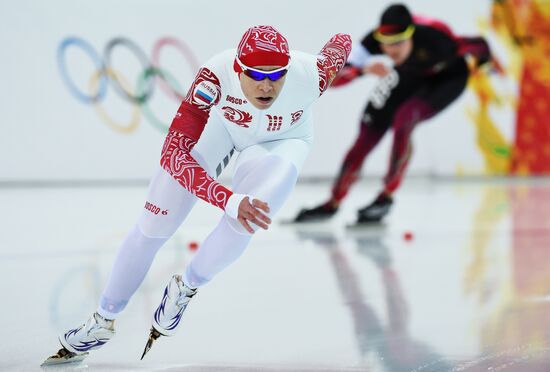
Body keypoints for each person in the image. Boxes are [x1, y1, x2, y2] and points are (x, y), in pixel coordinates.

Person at [43, 25, 351, 365]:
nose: (267, 86)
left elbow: (341, 43)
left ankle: (185, 287)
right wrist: (228, 199)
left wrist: (361, 51)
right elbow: (173, 156)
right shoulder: (214, 78)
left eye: (277, 75)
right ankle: (102, 320)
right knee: (152, 225)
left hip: (282, 141)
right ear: (237, 69)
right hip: (222, 129)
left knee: (252, 214)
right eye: (255, 75)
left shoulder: (313, 75)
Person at [294, 3, 493, 224]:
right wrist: (361, 70)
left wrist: (483, 64)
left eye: (399, 43)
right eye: (387, 45)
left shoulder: (438, 39)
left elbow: (478, 45)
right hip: (409, 75)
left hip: (448, 79)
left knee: (405, 118)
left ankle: (386, 196)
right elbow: (329, 78)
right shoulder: (373, 42)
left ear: (412, 35)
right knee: (368, 129)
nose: (392, 50)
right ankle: (332, 203)